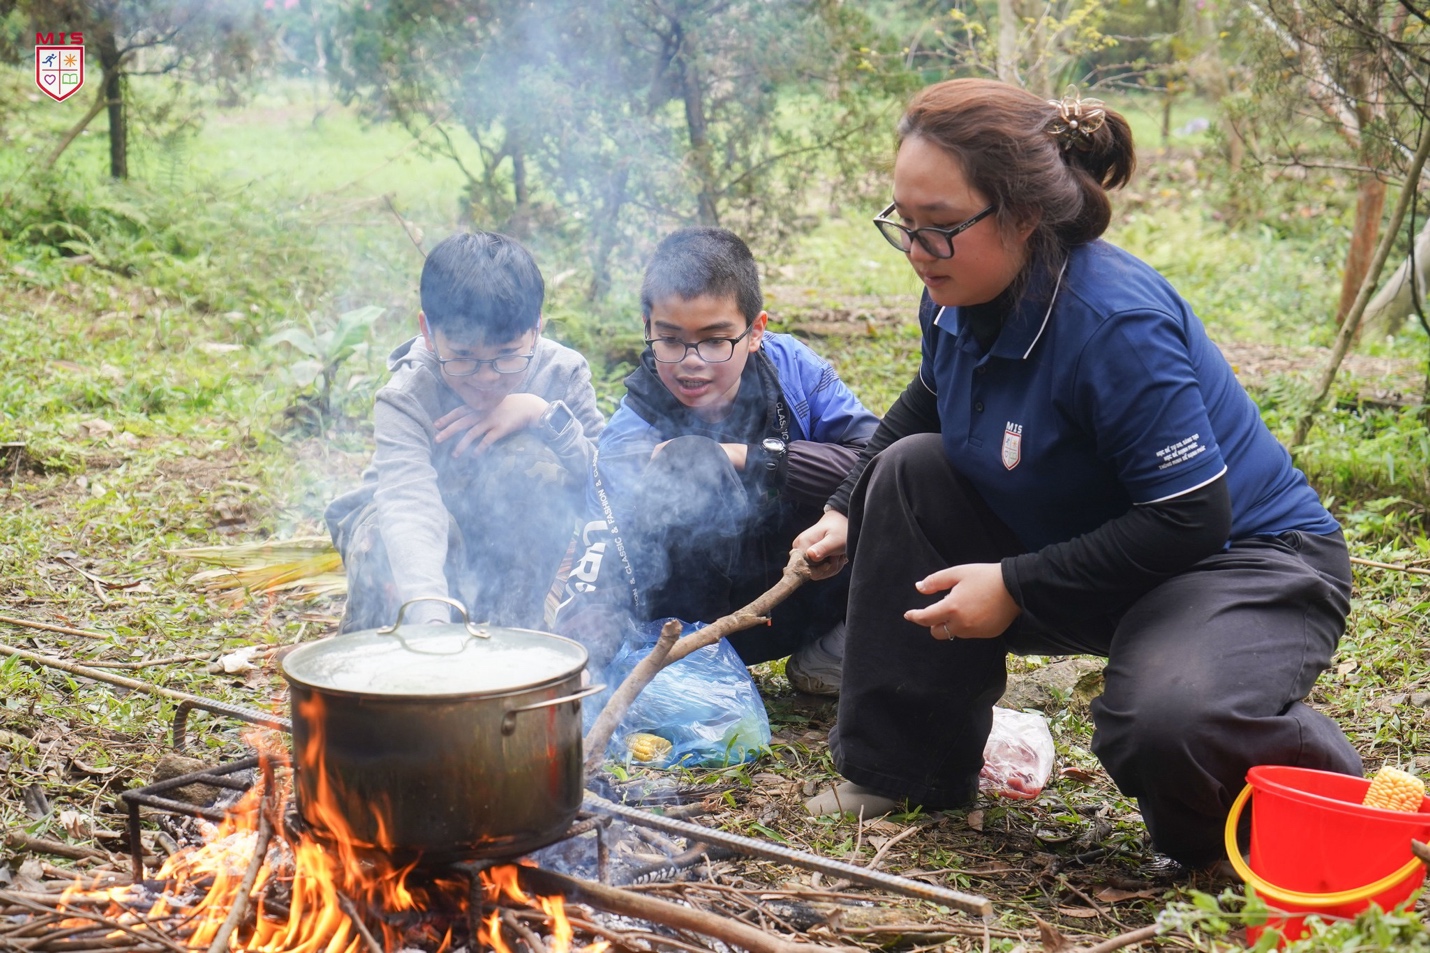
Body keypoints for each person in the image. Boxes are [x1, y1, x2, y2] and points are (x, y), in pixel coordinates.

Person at [795, 79, 1361, 870]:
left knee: (1167, 719)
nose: (919, 251)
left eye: (942, 227)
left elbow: (1192, 517)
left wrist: (1017, 584)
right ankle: (905, 770)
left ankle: (1311, 800)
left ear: (1025, 213)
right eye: (906, 224)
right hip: (1104, 546)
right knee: (907, 472)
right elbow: (930, 397)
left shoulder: (1114, 325)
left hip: (1242, 561)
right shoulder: (956, 294)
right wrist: (844, 503)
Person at [555, 227, 879, 692]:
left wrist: (743, 456)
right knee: (688, 465)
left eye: (714, 340)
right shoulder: (632, 432)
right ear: (647, 327)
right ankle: (700, 670)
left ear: (755, 332)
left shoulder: (793, 369)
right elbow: (600, 560)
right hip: (688, 628)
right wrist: (578, 664)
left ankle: (832, 653)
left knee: (905, 487)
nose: (692, 362)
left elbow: (873, 458)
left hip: (802, 596)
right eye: (669, 340)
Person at [325, 230, 604, 632]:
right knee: (382, 538)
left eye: (507, 356)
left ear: (538, 327)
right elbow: (409, 506)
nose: (487, 378)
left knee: (531, 462)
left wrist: (541, 414)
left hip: (502, 539)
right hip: (405, 536)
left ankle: (511, 643)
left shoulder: (562, 372)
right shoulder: (407, 393)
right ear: (427, 331)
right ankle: (380, 668)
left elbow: (605, 484)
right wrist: (429, 620)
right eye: (464, 358)